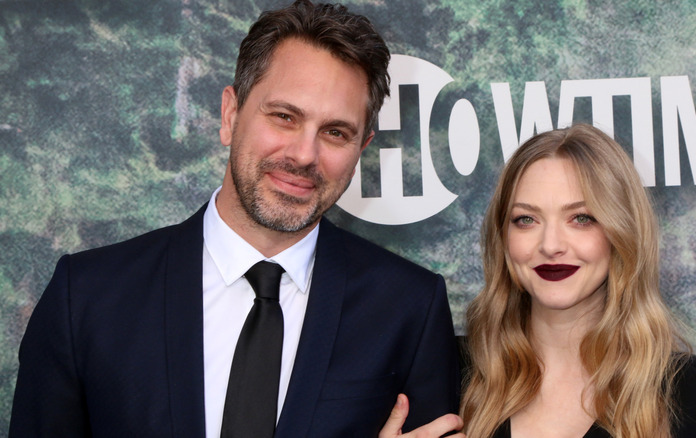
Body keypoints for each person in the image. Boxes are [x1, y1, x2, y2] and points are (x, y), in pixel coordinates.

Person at [9, 1, 460, 436]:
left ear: (361, 148)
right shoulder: (87, 296)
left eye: (335, 132)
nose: (305, 154)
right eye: (284, 117)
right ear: (230, 114)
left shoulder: (410, 308)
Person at [458, 124, 696, 437]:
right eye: (526, 219)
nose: (551, 245)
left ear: (621, 232)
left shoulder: (688, 389)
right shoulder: (450, 369)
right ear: (503, 237)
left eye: (581, 218)